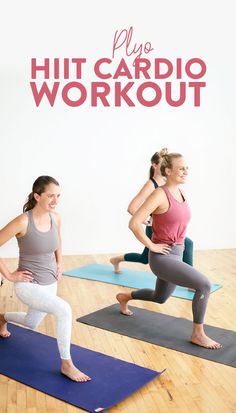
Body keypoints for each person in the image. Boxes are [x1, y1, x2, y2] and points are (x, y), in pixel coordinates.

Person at [116, 153, 221, 349]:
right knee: (204, 285)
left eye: (186, 168)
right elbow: (134, 222)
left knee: (160, 297)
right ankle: (198, 334)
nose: (185, 171)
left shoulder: (181, 193)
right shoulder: (159, 194)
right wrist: (151, 246)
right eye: (181, 168)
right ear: (168, 171)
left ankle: (124, 297)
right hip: (163, 258)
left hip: (176, 254)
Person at [0, 176, 91, 382]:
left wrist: (59, 263)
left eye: (58, 196)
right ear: (37, 196)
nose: (55, 200)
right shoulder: (23, 221)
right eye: (50, 195)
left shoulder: (55, 217)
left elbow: (57, 239)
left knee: (32, 322)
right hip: (28, 284)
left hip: (50, 281)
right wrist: (9, 275)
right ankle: (66, 364)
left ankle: (2, 318)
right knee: (64, 310)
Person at [110, 149, 193, 273]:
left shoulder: (169, 184)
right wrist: (147, 222)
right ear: (155, 165)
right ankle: (189, 277)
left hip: (168, 227)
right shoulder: (151, 185)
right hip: (157, 227)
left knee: (145, 258)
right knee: (187, 244)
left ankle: (116, 259)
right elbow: (132, 207)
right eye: (162, 162)